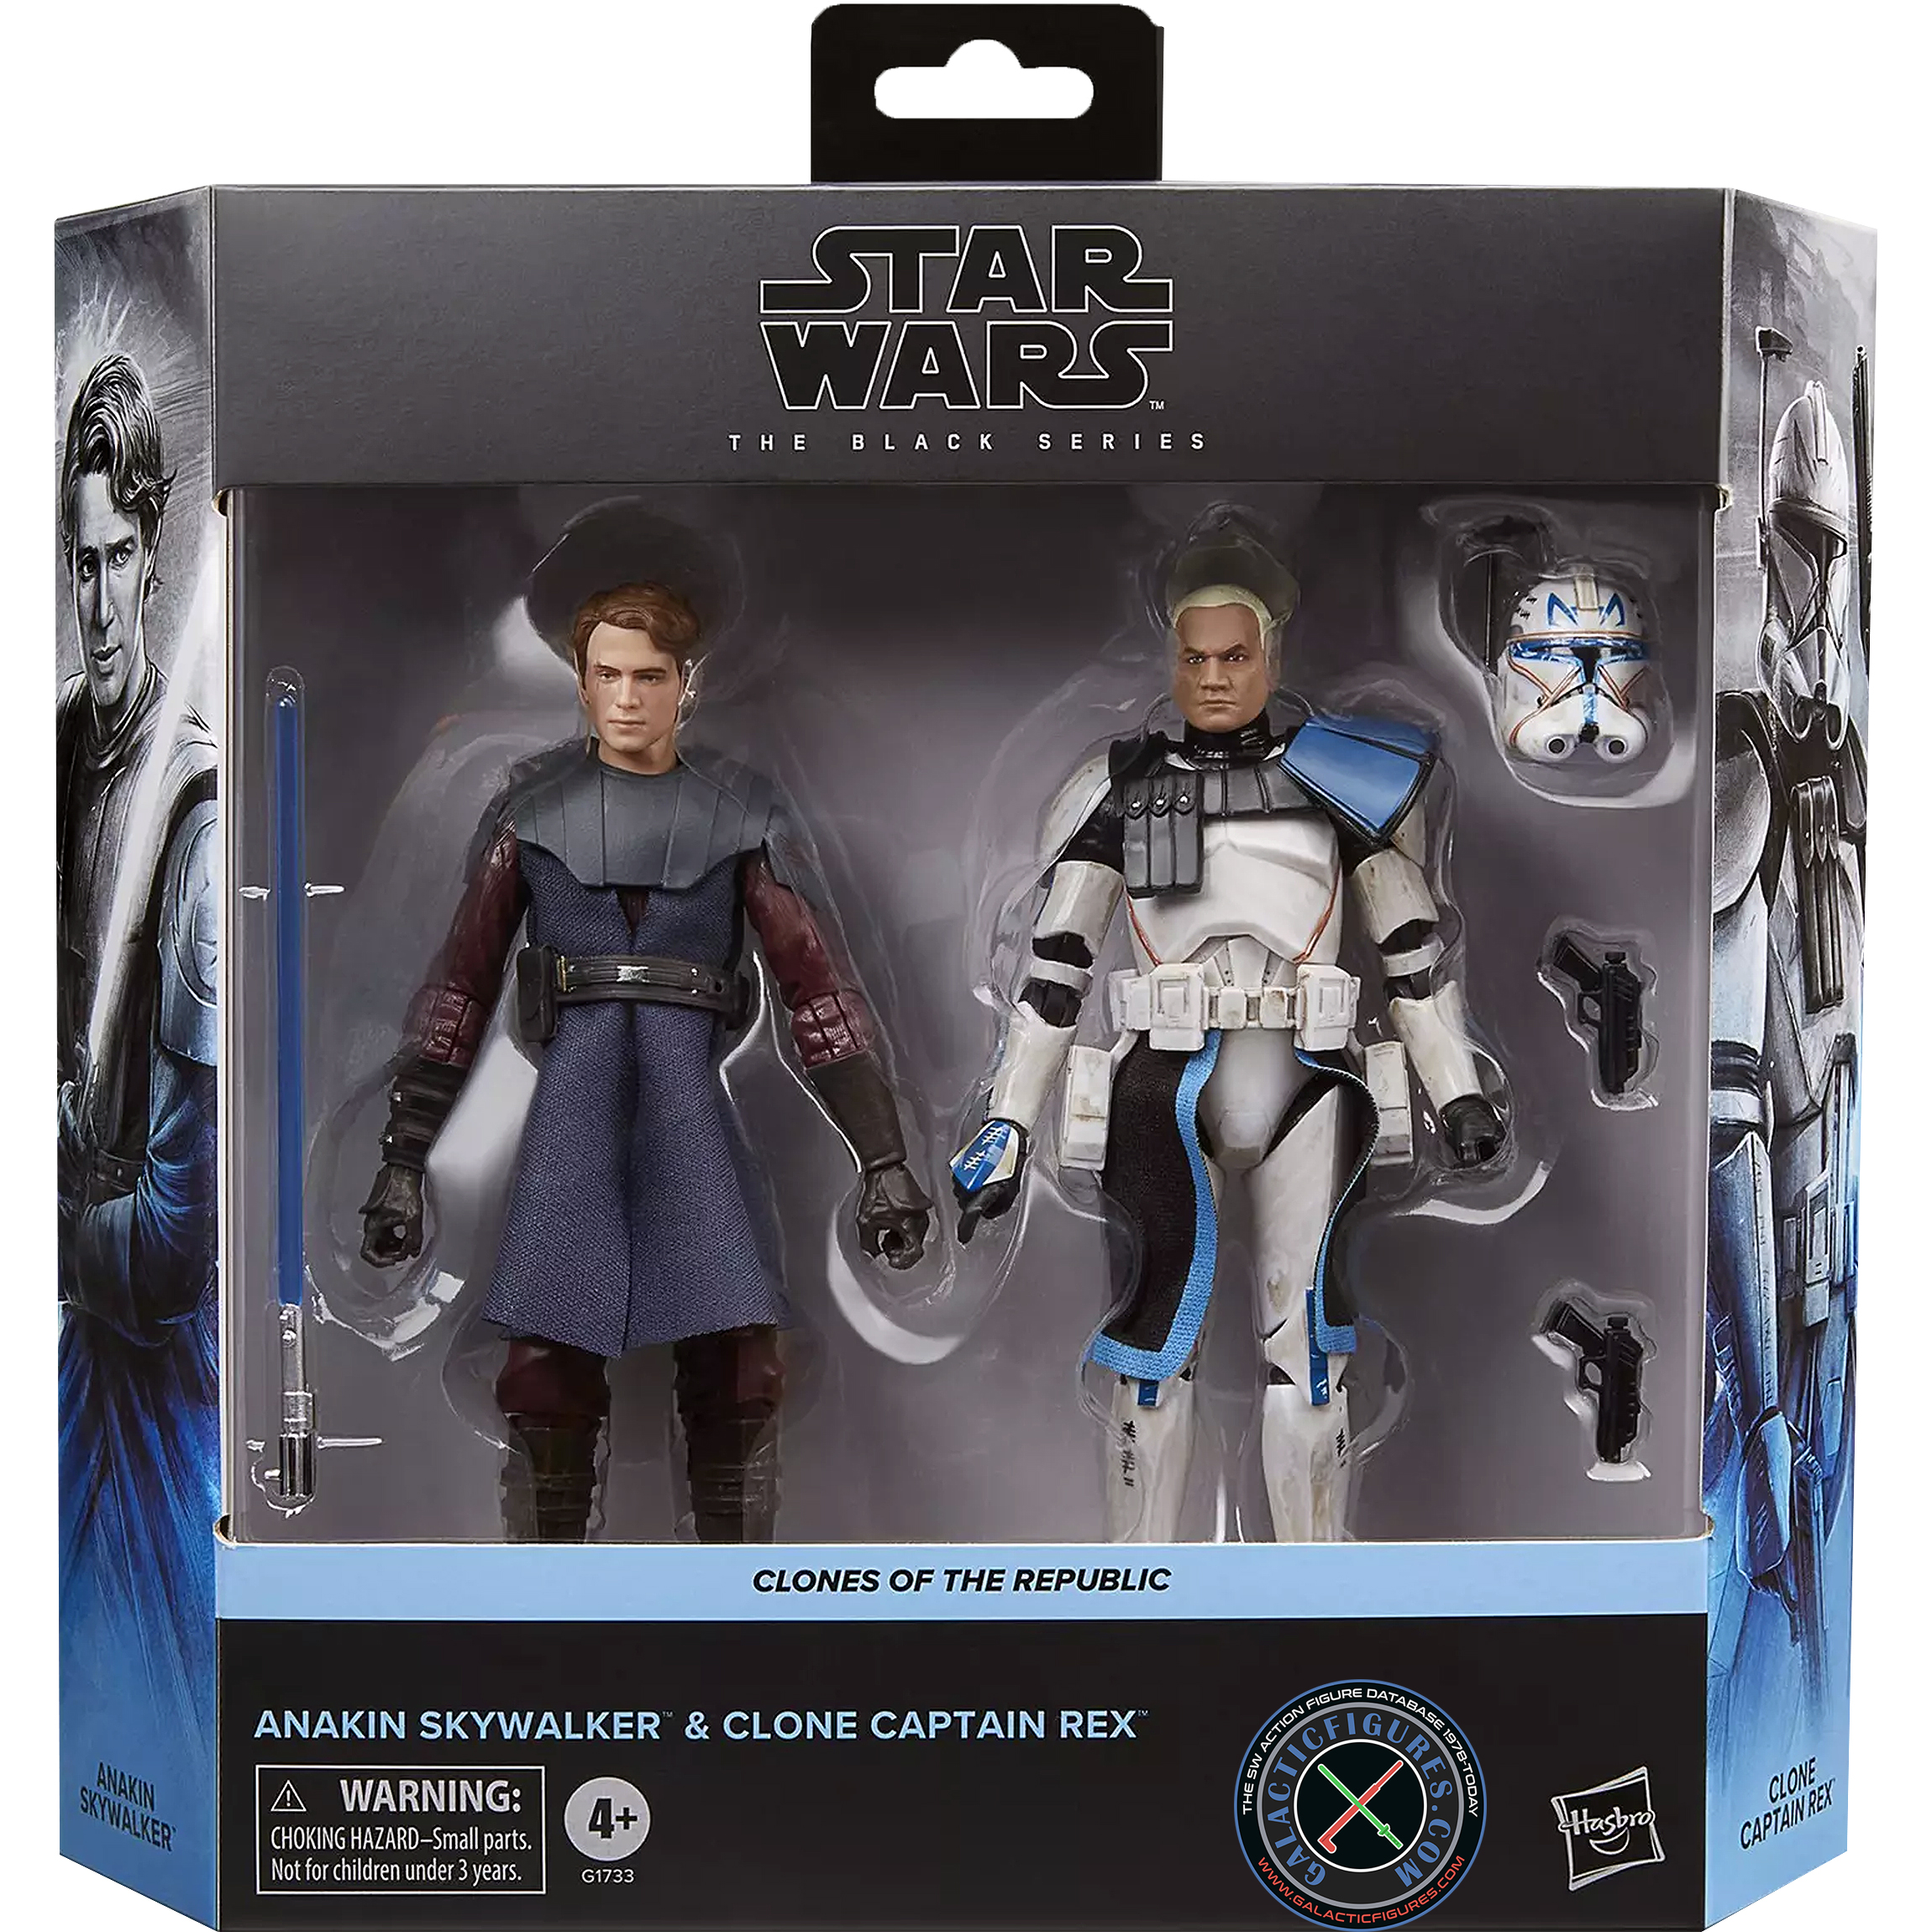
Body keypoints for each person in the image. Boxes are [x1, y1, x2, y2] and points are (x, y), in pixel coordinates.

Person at [360, 507, 931, 1542]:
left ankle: (733, 1589)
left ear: (686, 683)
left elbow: (817, 991)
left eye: (649, 676)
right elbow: (458, 991)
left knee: (738, 1355)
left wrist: (883, 1156)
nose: (628, 697)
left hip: (688, 1109)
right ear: (581, 684)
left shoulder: (740, 813)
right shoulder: (528, 813)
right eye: (609, 675)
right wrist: (405, 1156)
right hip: (571, 1112)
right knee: (544, 1361)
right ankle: (551, 1592)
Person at [953, 528, 1504, 1542]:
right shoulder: (1116, 786)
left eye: (1233, 656)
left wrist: (1458, 1091)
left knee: (1308, 1354)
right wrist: (1006, 1124)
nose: (1211, 677)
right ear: (1170, 658)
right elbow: (1054, 972)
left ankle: (1310, 1588)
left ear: (1270, 656)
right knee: (1153, 1353)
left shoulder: (1344, 783)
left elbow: (1414, 958)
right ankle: (1140, 1583)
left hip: (1307, 1074)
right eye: (1194, 657)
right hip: (1162, 1083)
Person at [56, 352, 219, 1712]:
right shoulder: (52, 755)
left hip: (163, 1376)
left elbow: (175, 1238)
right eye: (82, 563)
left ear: (155, 554)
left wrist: (54, 1221)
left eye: (120, 560)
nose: (101, 606)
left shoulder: (192, 810)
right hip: (74, 1345)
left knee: (176, 1701)